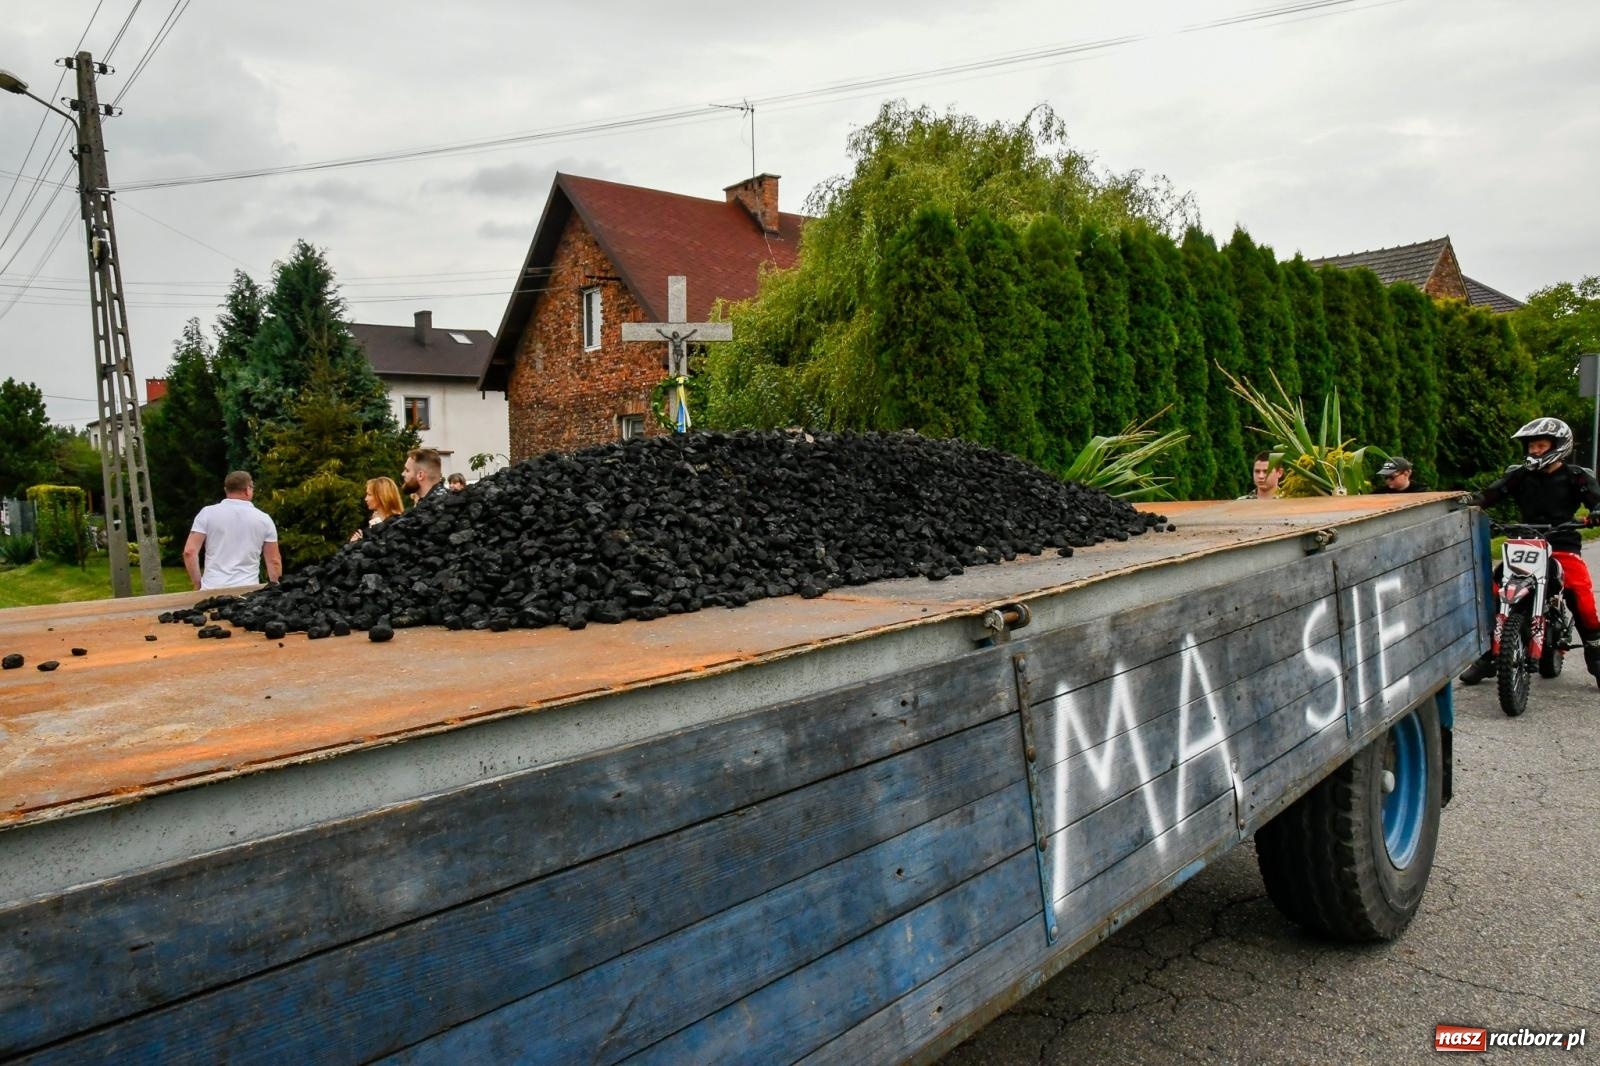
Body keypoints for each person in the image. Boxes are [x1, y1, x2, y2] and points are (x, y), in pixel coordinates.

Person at [1459, 417, 1600, 685]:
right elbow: (1489, 494)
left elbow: (1596, 500)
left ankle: (1595, 653)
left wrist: (1596, 512)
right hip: (1524, 543)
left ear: (1557, 445)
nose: (1534, 451)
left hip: (1561, 543)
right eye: (1531, 446)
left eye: (1540, 445)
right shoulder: (1519, 475)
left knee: (1581, 597)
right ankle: (1490, 654)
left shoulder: (1576, 476)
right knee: (1494, 591)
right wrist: (1468, 503)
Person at [183, 471, 282, 590]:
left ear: (226, 489)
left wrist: (198, 584)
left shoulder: (207, 514)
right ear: (247, 489)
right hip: (248, 591)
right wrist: (275, 590)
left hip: (211, 590)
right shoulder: (264, 519)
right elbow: (274, 561)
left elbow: (189, 552)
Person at [351, 476, 405, 542]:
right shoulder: (367, 522)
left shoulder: (397, 524)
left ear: (381, 496)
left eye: (369, 494)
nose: (366, 499)